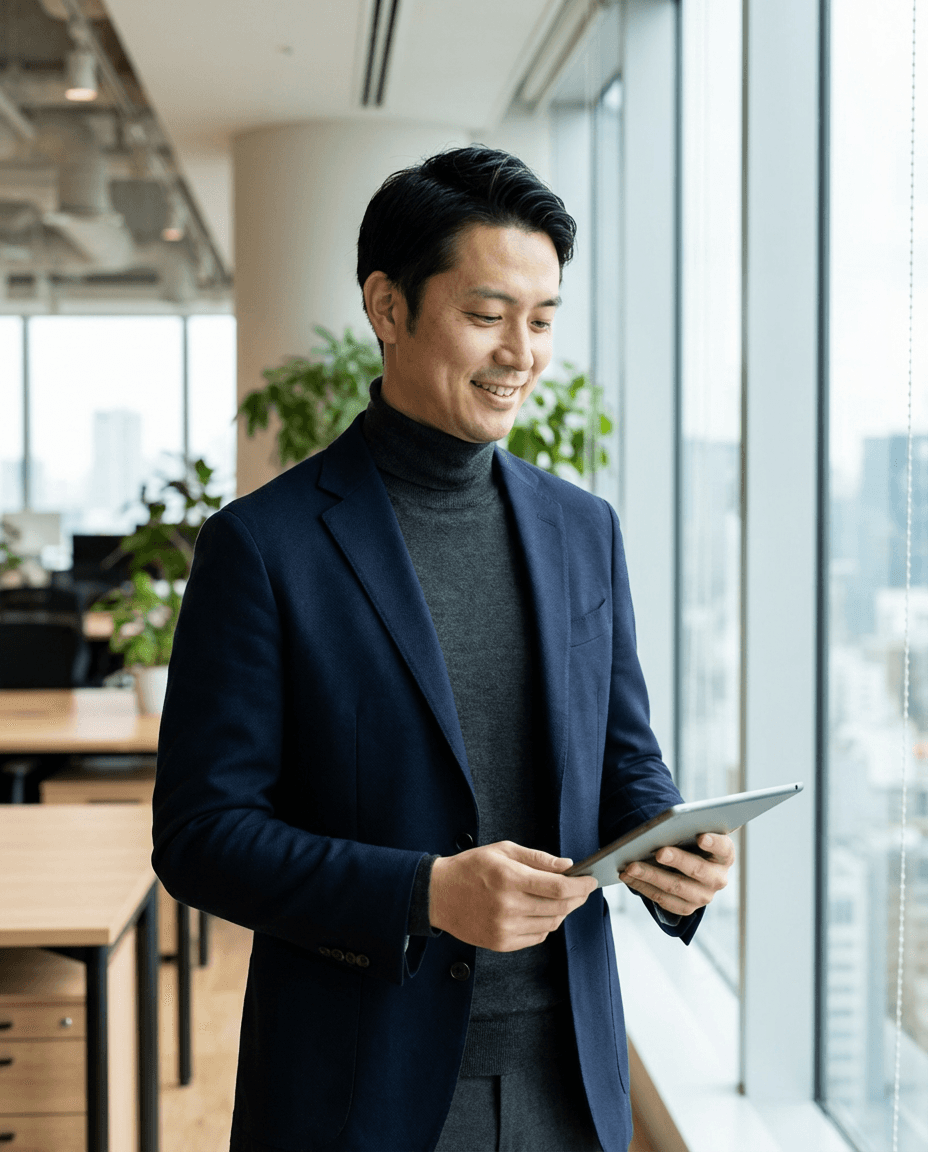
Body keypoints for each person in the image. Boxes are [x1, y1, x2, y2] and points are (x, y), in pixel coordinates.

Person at [152, 145, 734, 1152]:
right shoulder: (264, 546)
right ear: (387, 307)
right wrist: (425, 892)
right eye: (485, 315)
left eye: (543, 319)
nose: (522, 353)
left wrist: (667, 850)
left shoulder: (581, 529)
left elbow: (624, 766)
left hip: (570, 1081)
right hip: (358, 1090)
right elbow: (201, 836)